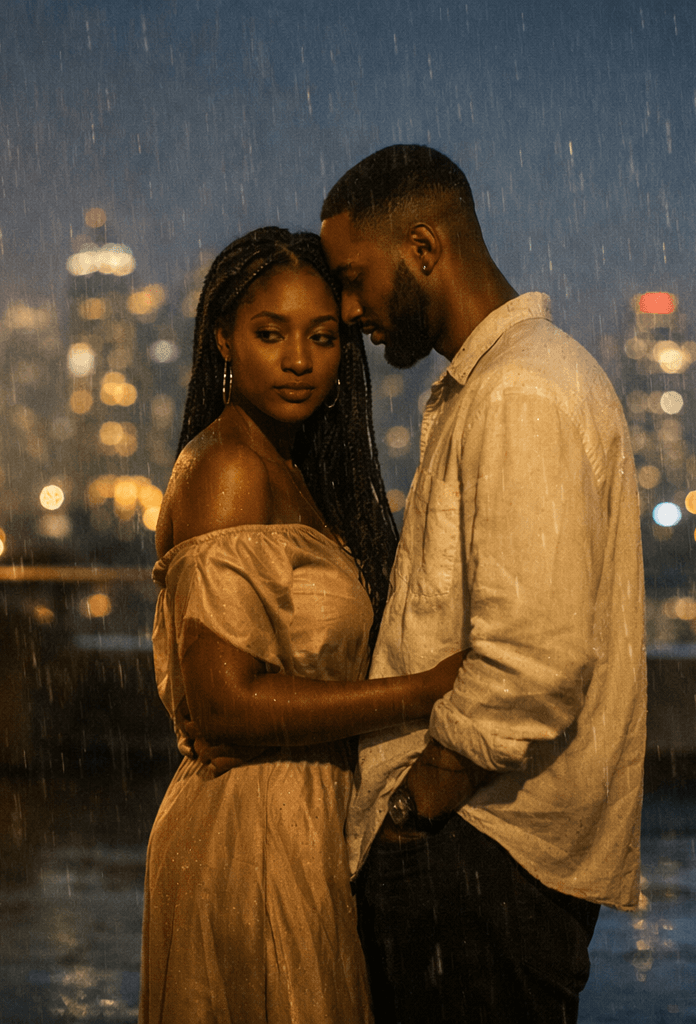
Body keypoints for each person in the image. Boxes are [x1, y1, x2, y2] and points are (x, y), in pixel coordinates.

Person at [319, 145, 647, 1023]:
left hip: (479, 853)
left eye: (355, 281)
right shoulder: (509, 384)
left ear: (424, 249)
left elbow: (533, 661)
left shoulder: (519, 394)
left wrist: (419, 805)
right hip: (486, 855)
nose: (350, 314)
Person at [139, 226, 466, 1024]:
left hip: (299, 822)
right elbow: (223, 704)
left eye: (322, 337)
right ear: (223, 338)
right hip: (251, 832)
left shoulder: (288, 470)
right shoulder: (227, 471)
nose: (298, 360)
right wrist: (421, 692)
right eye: (270, 333)